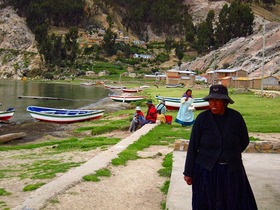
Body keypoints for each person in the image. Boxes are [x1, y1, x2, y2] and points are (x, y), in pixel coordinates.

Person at [183, 84, 257, 210]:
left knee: (233, 202)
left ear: (225, 102)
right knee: (206, 203)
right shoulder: (202, 119)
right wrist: (188, 172)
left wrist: (230, 155)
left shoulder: (236, 118)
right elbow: (193, 146)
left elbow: (244, 140)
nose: (213, 104)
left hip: (232, 171)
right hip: (206, 170)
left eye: (217, 100)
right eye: (211, 100)